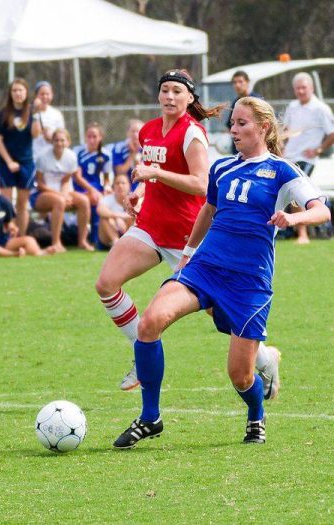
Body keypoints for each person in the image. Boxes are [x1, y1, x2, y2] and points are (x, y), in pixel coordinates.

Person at [113, 97, 331, 449]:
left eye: (242, 123)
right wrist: (187, 253)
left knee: (240, 376)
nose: (233, 130)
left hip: (248, 282)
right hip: (205, 268)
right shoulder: (222, 168)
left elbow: (322, 211)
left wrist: (293, 218)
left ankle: (256, 413)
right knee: (149, 323)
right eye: (232, 123)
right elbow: (208, 210)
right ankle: (150, 416)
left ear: (263, 127)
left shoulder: (282, 171)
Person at [95, 70, 280, 394]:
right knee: (106, 283)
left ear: (189, 98)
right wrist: (140, 191)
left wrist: (154, 173)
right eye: (165, 89)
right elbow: (155, 174)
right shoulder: (149, 130)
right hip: (150, 227)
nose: (169, 96)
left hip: (186, 235)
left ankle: (266, 359)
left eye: (177, 91)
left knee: (220, 312)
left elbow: (199, 183)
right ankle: (141, 351)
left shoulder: (192, 133)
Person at [282, 72, 334, 244]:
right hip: (289, 157)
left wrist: (319, 149)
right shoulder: (292, 106)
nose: (301, 91)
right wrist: (280, 146)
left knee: (296, 191)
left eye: (304, 88)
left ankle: (303, 235)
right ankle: (289, 231)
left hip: (306, 159)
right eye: (297, 88)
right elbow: (286, 130)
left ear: (312, 88)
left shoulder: (320, 108)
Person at [0, 78, 42, 236]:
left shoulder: (31, 112)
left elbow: (36, 134)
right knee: (6, 202)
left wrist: (36, 115)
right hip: (6, 163)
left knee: (22, 204)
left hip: (25, 163)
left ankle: (22, 238)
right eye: (14, 90)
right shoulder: (4, 114)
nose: (18, 93)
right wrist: (9, 161)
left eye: (21, 90)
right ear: (10, 93)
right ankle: (7, 237)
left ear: (26, 93)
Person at [31, 128, 92, 251]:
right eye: (56, 140)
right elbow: (40, 184)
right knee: (59, 201)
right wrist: (61, 195)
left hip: (62, 193)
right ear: (52, 142)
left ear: (68, 142)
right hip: (41, 194)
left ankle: (82, 241)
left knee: (84, 201)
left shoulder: (71, 156)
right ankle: (56, 243)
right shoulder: (43, 157)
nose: (59, 143)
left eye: (62, 140)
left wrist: (64, 194)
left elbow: (65, 181)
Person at [74, 122, 113, 246]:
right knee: (97, 199)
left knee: (102, 200)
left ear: (100, 137)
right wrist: (92, 190)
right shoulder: (78, 152)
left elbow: (106, 178)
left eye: (94, 136)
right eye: (89, 136)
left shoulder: (106, 154)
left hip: (96, 188)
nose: (91, 140)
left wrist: (107, 187)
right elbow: (77, 177)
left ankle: (98, 239)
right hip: (80, 188)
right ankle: (88, 239)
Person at [226, 71, 263, 154]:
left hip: (254, 152)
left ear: (247, 82)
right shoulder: (236, 103)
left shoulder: (257, 100)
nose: (237, 85)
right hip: (238, 152)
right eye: (235, 82)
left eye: (240, 82)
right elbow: (229, 125)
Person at [95, 173, 134, 249]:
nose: (120, 186)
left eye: (123, 183)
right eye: (117, 183)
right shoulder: (108, 199)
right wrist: (117, 217)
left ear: (129, 186)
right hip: (108, 237)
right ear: (113, 186)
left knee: (136, 218)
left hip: (127, 230)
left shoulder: (134, 198)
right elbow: (100, 210)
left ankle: (130, 243)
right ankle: (116, 243)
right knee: (104, 218)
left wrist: (124, 218)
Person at [31, 81, 66, 158]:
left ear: (52, 95)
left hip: (52, 157)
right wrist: (35, 111)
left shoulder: (57, 114)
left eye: (47, 94)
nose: (45, 97)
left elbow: (62, 137)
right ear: (36, 96)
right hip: (34, 156)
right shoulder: (29, 112)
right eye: (42, 94)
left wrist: (52, 137)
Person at [111, 119, 144, 189]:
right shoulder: (118, 148)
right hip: (123, 187)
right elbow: (119, 172)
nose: (135, 134)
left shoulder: (147, 148)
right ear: (127, 133)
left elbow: (143, 175)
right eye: (133, 131)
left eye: (138, 131)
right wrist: (132, 154)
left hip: (141, 186)